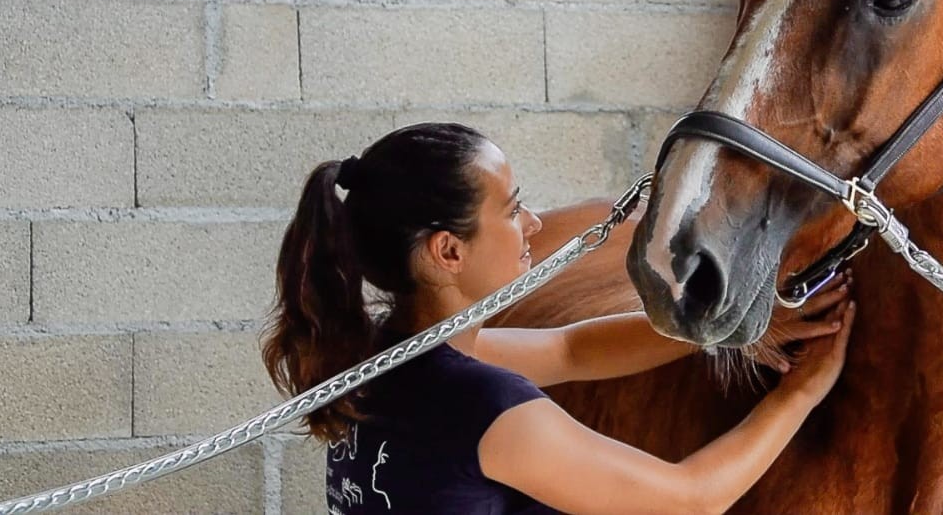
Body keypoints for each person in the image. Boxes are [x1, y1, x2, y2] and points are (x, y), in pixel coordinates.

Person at [261, 122, 854, 515]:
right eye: (512, 209)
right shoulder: (487, 408)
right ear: (449, 252)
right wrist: (799, 395)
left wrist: (719, 330)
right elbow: (691, 498)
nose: (534, 225)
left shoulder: (383, 357)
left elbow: (573, 350)